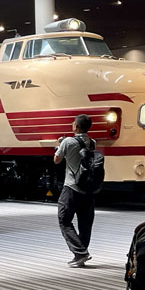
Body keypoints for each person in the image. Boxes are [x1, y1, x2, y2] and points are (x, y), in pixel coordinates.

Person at [54, 114, 95, 267]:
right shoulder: (92, 143)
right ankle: (81, 254)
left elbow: (56, 160)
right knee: (85, 223)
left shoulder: (67, 141)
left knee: (64, 219)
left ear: (76, 127)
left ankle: (80, 253)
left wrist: (59, 146)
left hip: (71, 187)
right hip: (88, 189)